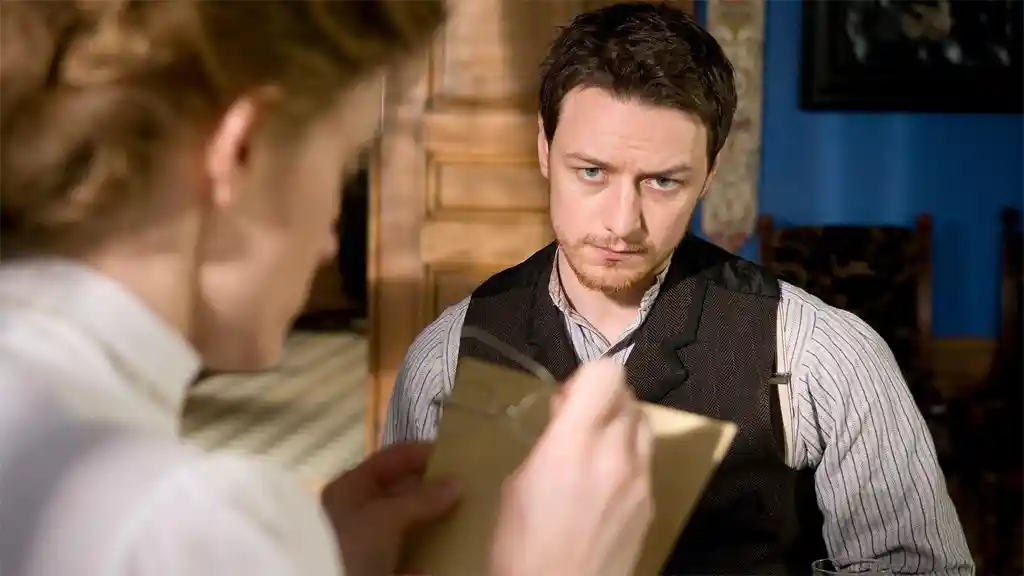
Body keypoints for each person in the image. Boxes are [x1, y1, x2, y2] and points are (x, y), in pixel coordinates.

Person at [0, 2, 655, 576]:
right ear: (242, 152)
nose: (327, 240)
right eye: (342, 167)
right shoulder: (178, 525)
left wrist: (310, 559)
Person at [383, 3, 975, 575]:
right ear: (544, 149)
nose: (622, 223)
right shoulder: (444, 357)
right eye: (591, 171)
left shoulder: (826, 356)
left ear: (710, 173)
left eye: (662, 182)